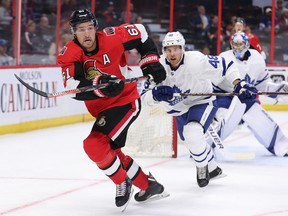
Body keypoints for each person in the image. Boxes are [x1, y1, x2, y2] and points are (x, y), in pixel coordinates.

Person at [57, 9, 167, 209]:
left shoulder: (113, 37)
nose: (87, 34)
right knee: (110, 152)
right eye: (81, 29)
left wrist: (150, 63)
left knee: (94, 145)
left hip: (126, 101)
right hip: (102, 109)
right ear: (74, 32)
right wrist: (101, 84)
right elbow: (72, 87)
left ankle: (122, 181)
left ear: (96, 28)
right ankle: (147, 185)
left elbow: (141, 33)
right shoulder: (70, 53)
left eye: (90, 28)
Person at [141, 31, 257, 188]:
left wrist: (239, 84)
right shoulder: (158, 67)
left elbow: (227, 66)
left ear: (182, 48)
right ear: (164, 51)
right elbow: (143, 97)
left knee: (192, 132)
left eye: (176, 49)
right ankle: (213, 168)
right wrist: (155, 95)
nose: (172, 53)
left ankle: (202, 166)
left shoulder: (196, 60)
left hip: (202, 101)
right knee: (190, 141)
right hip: (179, 109)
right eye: (168, 49)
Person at [212, 31, 288, 157]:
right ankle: (203, 147)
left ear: (247, 45)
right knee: (222, 123)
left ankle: (282, 147)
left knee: (262, 121)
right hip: (224, 97)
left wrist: (278, 89)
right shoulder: (223, 58)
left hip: (246, 100)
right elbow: (212, 82)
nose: (237, 47)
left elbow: (262, 85)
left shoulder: (257, 58)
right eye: (234, 44)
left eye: (240, 44)